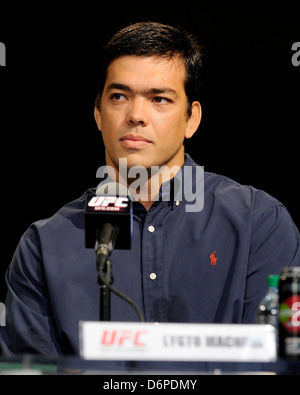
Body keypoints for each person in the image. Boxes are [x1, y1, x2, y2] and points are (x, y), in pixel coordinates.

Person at [1, 21, 299, 358]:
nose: (136, 115)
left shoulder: (258, 224)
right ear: (98, 113)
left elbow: (273, 364)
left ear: (191, 119)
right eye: (119, 96)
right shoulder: (44, 245)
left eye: (159, 98)